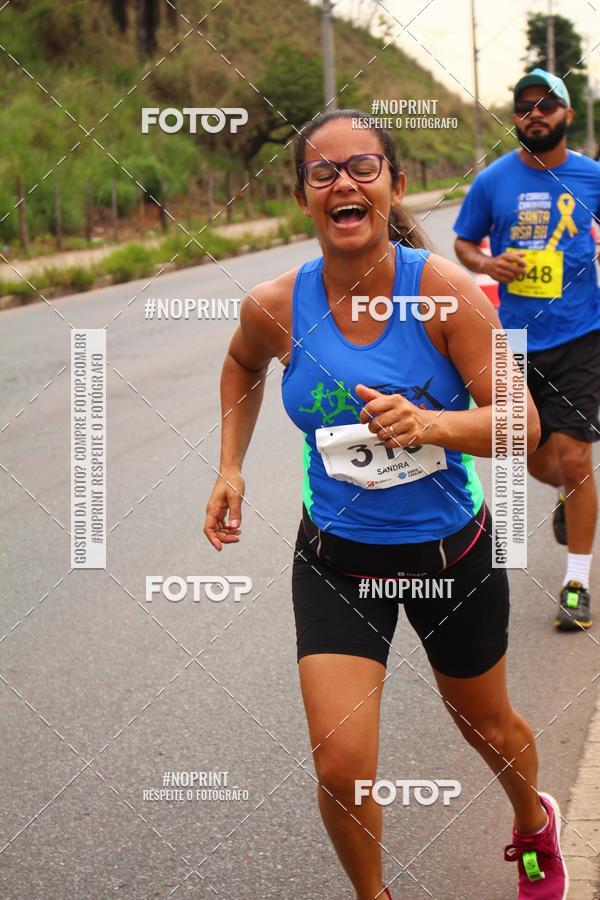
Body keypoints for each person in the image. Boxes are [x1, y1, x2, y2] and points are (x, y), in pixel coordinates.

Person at [203, 109, 567, 899]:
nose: (344, 182)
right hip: (337, 564)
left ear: (394, 186)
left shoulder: (439, 292)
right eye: (323, 171)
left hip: (449, 557)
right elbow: (240, 367)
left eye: (363, 167)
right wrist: (230, 465)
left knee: (490, 730)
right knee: (339, 764)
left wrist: (428, 422)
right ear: (304, 196)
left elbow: (522, 423)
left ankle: (532, 822)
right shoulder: (275, 303)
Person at [454, 68, 600, 631]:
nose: (533, 113)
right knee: (536, 457)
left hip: (581, 336)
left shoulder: (590, 178)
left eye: (545, 105)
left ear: (565, 114)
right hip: (514, 339)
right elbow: (465, 242)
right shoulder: (492, 182)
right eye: (523, 106)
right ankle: (565, 494)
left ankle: (577, 584)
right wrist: (488, 263)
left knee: (577, 459)